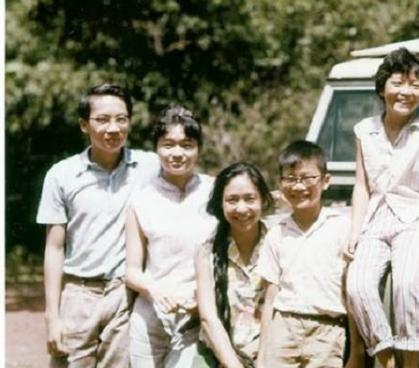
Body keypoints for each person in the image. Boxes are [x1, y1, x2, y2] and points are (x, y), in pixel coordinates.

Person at [343, 47, 419, 368]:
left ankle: (411, 363)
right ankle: (387, 361)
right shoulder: (363, 131)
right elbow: (361, 185)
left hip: (414, 219)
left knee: (407, 283)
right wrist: (355, 231)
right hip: (375, 220)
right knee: (357, 284)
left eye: (415, 85)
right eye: (398, 83)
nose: (406, 92)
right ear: (383, 86)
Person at [36, 83, 160, 367]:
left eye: (121, 119)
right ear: (84, 124)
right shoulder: (62, 175)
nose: (113, 128)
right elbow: (54, 249)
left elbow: (192, 180)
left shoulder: (150, 167)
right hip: (77, 295)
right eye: (102, 119)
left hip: (124, 297)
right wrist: (52, 316)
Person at [256, 140, 364, 368]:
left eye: (307, 178)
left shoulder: (342, 227)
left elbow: (351, 291)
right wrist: (262, 355)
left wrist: (356, 350)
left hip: (327, 330)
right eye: (290, 179)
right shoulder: (277, 233)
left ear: (325, 181)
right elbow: (270, 299)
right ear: (281, 183)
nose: (298, 187)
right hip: (283, 327)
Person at [125, 105, 216, 367]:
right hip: (149, 320)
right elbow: (132, 270)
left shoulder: (214, 192)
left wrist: (200, 296)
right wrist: (155, 289)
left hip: (197, 318)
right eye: (168, 145)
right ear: (156, 148)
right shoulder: (141, 199)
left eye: (187, 145)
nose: (177, 153)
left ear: (198, 148)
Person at [195, 162, 274, 368]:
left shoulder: (278, 243)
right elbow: (208, 319)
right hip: (219, 354)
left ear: (263, 200)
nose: (241, 208)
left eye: (250, 199)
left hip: (269, 352)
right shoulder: (206, 251)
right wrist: (233, 364)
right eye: (232, 200)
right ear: (220, 204)